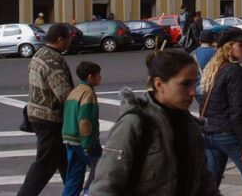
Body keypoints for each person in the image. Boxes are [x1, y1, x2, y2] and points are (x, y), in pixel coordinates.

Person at [92, 49, 219, 196]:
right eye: (185, 84)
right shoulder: (135, 124)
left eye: (194, 83)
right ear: (159, 84)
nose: (192, 92)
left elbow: (204, 183)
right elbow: (104, 187)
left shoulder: (191, 126)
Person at [199, 28, 242, 194]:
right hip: (230, 135)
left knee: (210, 185)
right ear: (229, 47)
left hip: (210, 134)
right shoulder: (235, 71)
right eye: (241, 45)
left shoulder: (213, 69)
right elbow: (238, 110)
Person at [17, 23, 74, 196]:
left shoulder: (39, 54)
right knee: (45, 164)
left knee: (65, 162)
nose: (71, 41)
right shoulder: (52, 60)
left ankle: (73, 191)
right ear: (60, 40)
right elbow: (64, 93)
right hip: (49, 118)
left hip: (37, 115)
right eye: (69, 38)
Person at [61, 61, 102, 196]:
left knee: (74, 175)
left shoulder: (75, 91)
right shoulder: (88, 93)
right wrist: (88, 145)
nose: (100, 78)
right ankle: (88, 193)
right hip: (83, 140)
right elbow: (85, 121)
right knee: (100, 170)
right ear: (90, 77)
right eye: (98, 75)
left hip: (69, 138)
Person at [192, 30, 218, 99]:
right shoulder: (217, 53)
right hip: (214, 88)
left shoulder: (192, 54)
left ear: (200, 41)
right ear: (212, 42)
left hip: (198, 89)